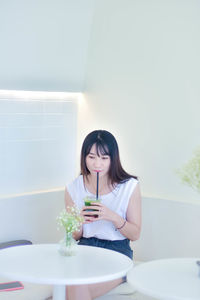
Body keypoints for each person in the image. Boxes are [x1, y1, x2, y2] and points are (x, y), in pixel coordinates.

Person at [65, 130, 141, 300]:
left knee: (76, 289)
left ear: (113, 159)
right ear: (84, 157)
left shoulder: (129, 186)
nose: (97, 164)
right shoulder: (73, 188)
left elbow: (135, 234)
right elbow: (74, 236)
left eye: (104, 158)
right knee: (69, 286)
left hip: (118, 251)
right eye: (91, 157)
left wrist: (112, 216)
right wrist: (78, 221)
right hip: (85, 247)